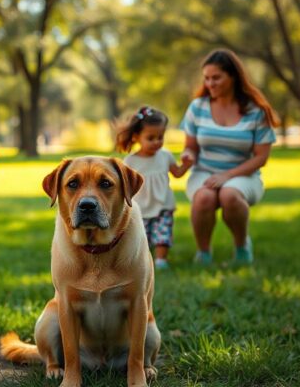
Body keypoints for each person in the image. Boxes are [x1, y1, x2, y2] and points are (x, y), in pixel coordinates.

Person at [181, 48, 278, 265]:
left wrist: (227, 175)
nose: (210, 84)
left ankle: (242, 247)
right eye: (206, 78)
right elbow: (191, 147)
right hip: (204, 172)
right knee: (204, 197)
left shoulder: (256, 111)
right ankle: (203, 254)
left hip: (244, 174)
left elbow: (261, 157)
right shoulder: (198, 107)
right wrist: (188, 156)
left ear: (233, 77)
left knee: (229, 195)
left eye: (216, 78)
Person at [116, 106, 194, 269]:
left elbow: (177, 173)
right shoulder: (131, 161)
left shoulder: (165, 155)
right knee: (140, 236)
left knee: (162, 234)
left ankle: (161, 260)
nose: (157, 142)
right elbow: (124, 183)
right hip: (140, 206)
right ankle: (141, 261)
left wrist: (186, 165)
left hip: (163, 203)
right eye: (151, 138)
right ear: (137, 137)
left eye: (160, 137)